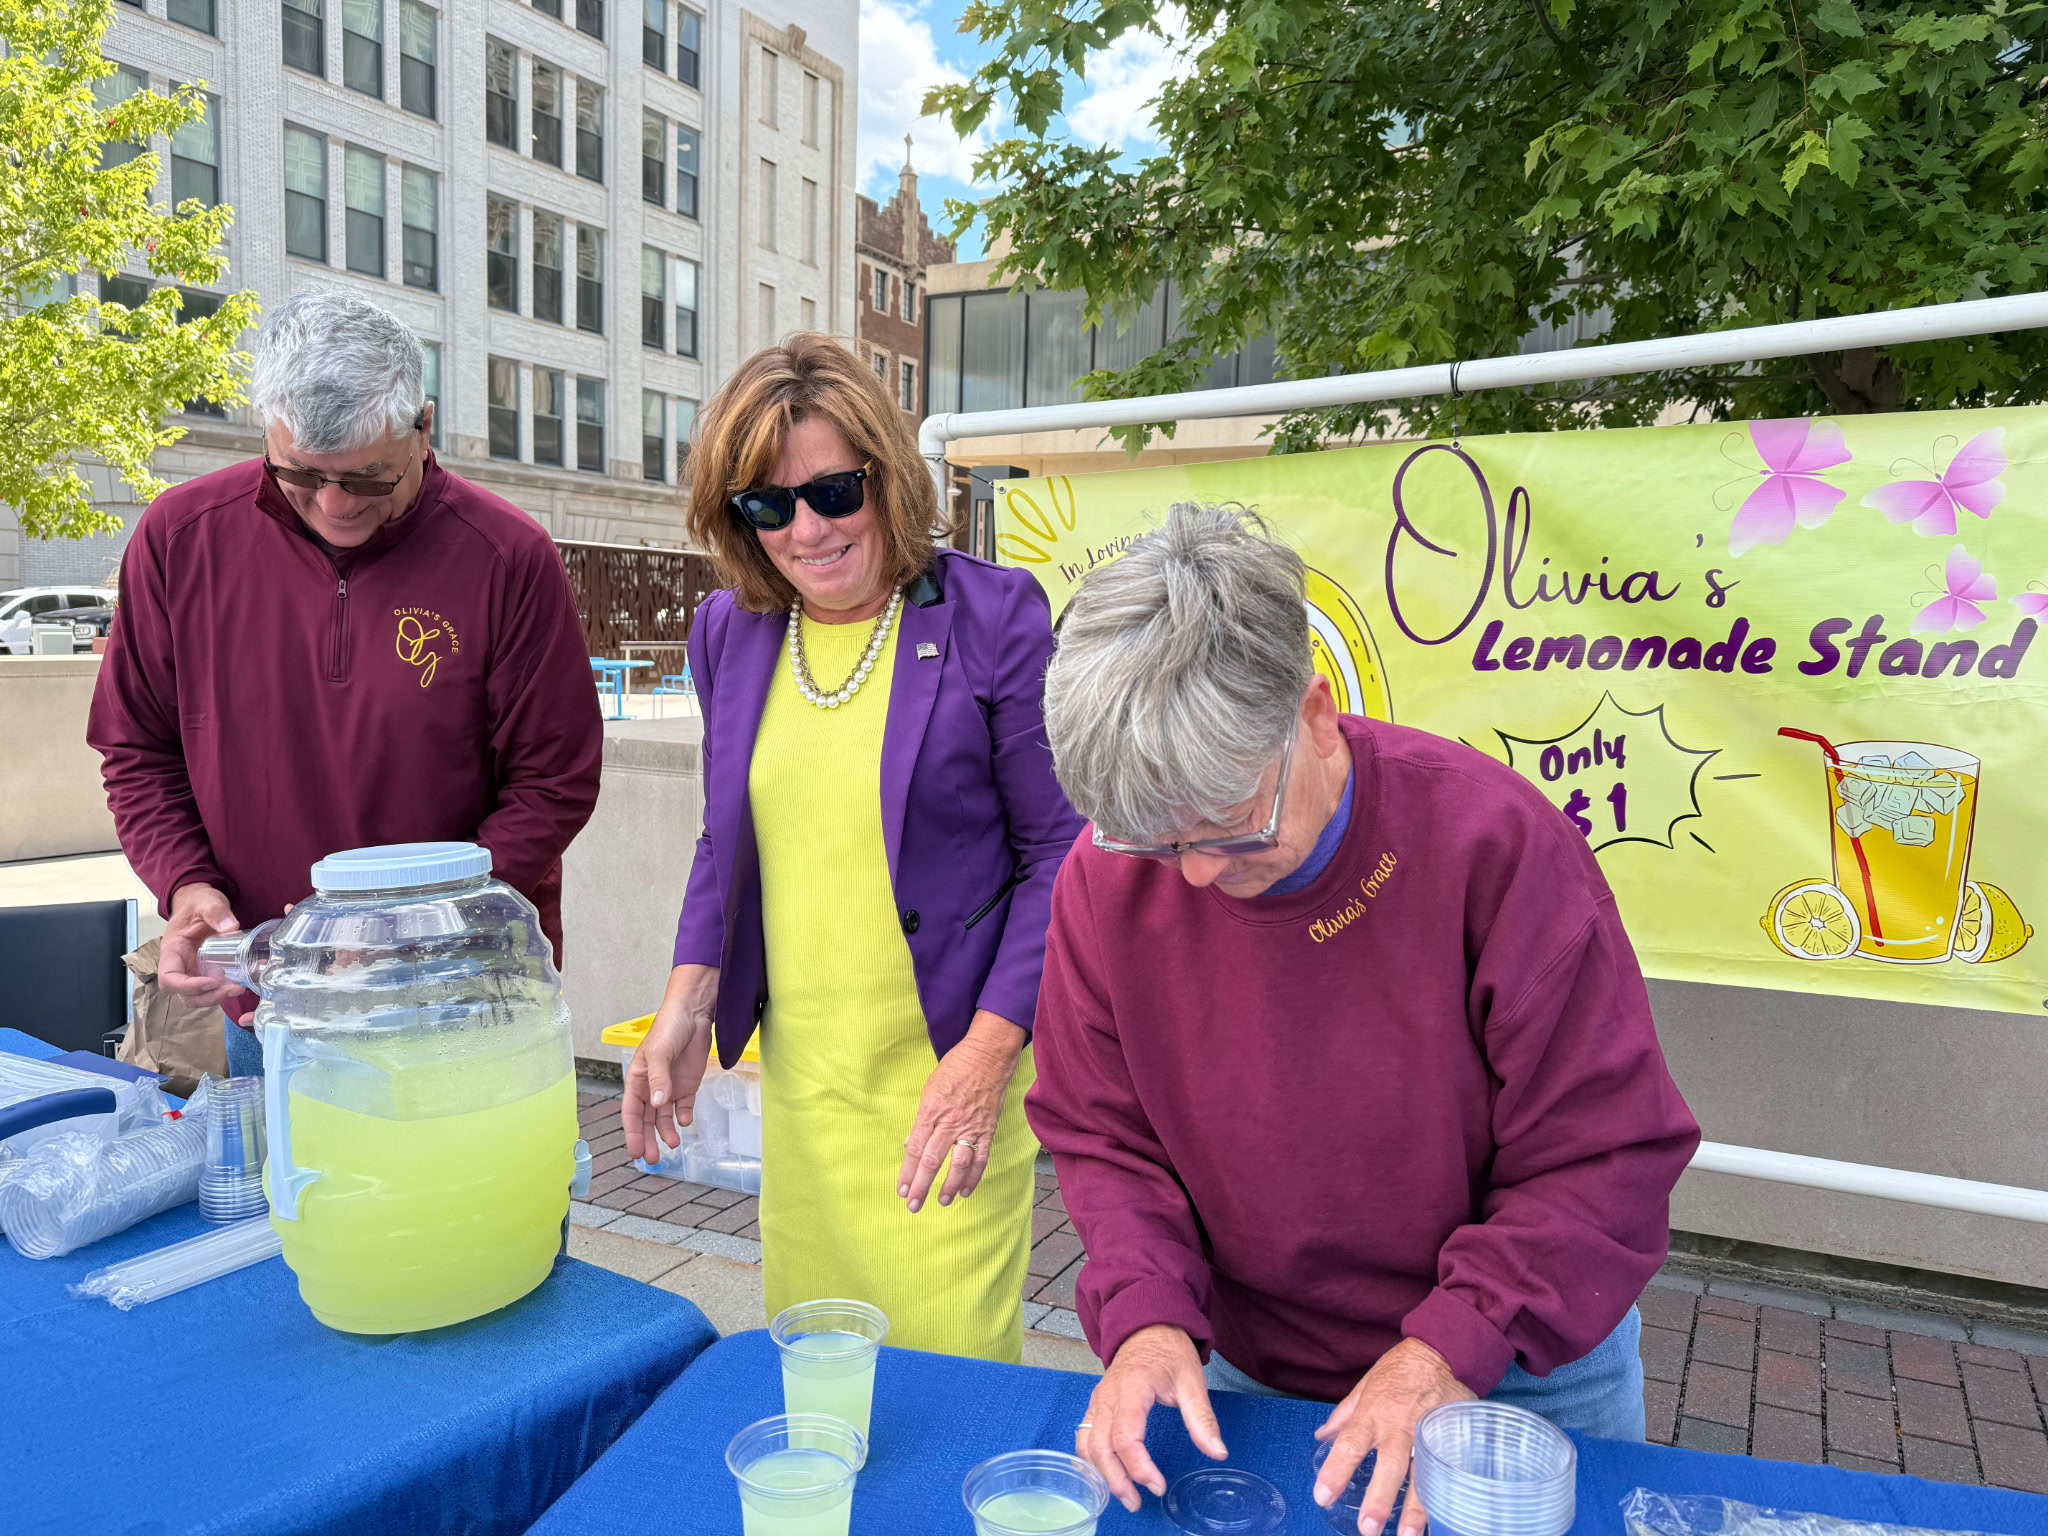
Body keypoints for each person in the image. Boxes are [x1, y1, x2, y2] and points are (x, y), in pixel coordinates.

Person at [1027, 503, 1700, 1533]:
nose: (1198, 877)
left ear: (1312, 712)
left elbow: (1599, 1153)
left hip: (1514, 1372)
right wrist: (1147, 1318)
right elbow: (1101, 1134)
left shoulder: (1492, 846)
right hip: (1256, 1372)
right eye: (1157, 844)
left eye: (1230, 830)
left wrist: (1453, 1344)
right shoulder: (1106, 877)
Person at [619, 334, 1082, 1361]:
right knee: (819, 1379)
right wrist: (686, 1003)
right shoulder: (725, 632)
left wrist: (988, 1055)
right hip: (805, 1092)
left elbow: (1059, 852)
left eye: (833, 492)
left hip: (947, 1079)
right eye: (766, 506)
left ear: (885, 474)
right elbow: (724, 838)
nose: (806, 529)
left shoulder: (993, 617)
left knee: (948, 1380)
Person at [89, 289, 604, 1076]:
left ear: (422, 427)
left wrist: (412, 928)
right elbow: (137, 750)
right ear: (266, 433)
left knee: (495, 1197)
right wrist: (185, 881)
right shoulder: (181, 540)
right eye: (300, 475)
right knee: (296, 1199)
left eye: (367, 480)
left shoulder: (506, 557)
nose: (333, 506)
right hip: (268, 1000)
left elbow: (555, 782)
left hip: (463, 1001)